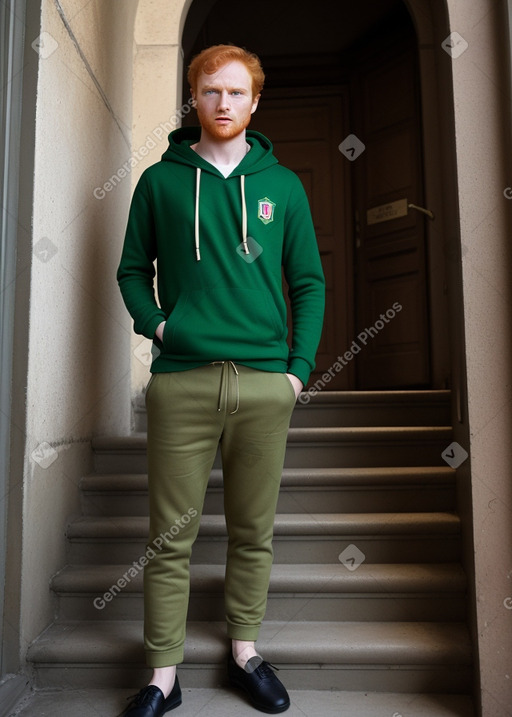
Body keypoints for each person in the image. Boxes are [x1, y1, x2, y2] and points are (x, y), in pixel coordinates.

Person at [117, 44, 325, 716]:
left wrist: (296, 373)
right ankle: (162, 675)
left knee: (251, 528)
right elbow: (130, 271)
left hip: (265, 384)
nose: (224, 104)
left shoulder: (283, 186)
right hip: (182, 380)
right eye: (212, 92)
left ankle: (245, 651)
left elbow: (308, 283)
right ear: (195, 97)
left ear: (255, 102)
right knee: (169, 536)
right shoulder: (161, 181)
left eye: (237, 93)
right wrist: (162, 327)